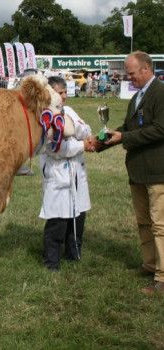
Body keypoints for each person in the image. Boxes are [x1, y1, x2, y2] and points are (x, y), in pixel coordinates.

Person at [104, 51, 164, 294]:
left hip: (158, 171)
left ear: (146, 70)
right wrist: (104, 141)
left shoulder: (160, 94)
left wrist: (124, 136)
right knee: (143, 222)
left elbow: (160, 129)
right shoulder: (137, 96)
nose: (127, 78)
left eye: (131, 73)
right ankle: (150, 265)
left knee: (160, 225)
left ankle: (162, 277)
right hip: (138, 171)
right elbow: (128, 128)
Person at [39, 76, 98, 272]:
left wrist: (77, 130)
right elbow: (57, 149)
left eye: (65, 92)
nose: (64, 96)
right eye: (60, 93)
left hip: (76, 170)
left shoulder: (69, 111)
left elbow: (86, 129)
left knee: (77, 216)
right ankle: (52, 262)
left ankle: (74, 255)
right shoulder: (45, 117)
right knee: (58, 220)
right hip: (58, 172)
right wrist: (82, 144)